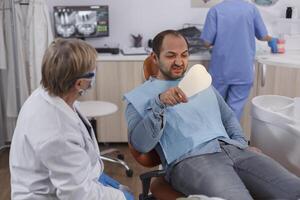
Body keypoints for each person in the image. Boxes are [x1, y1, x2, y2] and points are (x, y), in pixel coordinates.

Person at [124, 30, 300, 200]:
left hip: (233, 149)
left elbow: (228, 117)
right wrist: (159, 104)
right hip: (192, 159)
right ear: (155, 58)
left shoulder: (201, 83)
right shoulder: (138, 97)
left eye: (184, 55)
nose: (179, 61)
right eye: (171, 56)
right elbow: (140, 145)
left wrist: (241, 144)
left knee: (294, 190)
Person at [9, 38, 133, 200]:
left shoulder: (48, 92)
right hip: (50, 194)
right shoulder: (56, 131)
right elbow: (78, 195)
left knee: (123, 190)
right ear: (80, 83)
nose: (96, 72)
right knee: (127, 196)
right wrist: (122, 197)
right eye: (93, 70)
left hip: (74, 176)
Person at [200, 0, 277, 120]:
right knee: (234, 111)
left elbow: (206, 42)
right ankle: (231, 137)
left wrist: (216, 44)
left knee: (215, 107)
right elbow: (262, 36)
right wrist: (272, 39)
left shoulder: (215, 10)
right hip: (243, 70)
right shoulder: (251, 9)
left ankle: (215, 137)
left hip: (221, 69)